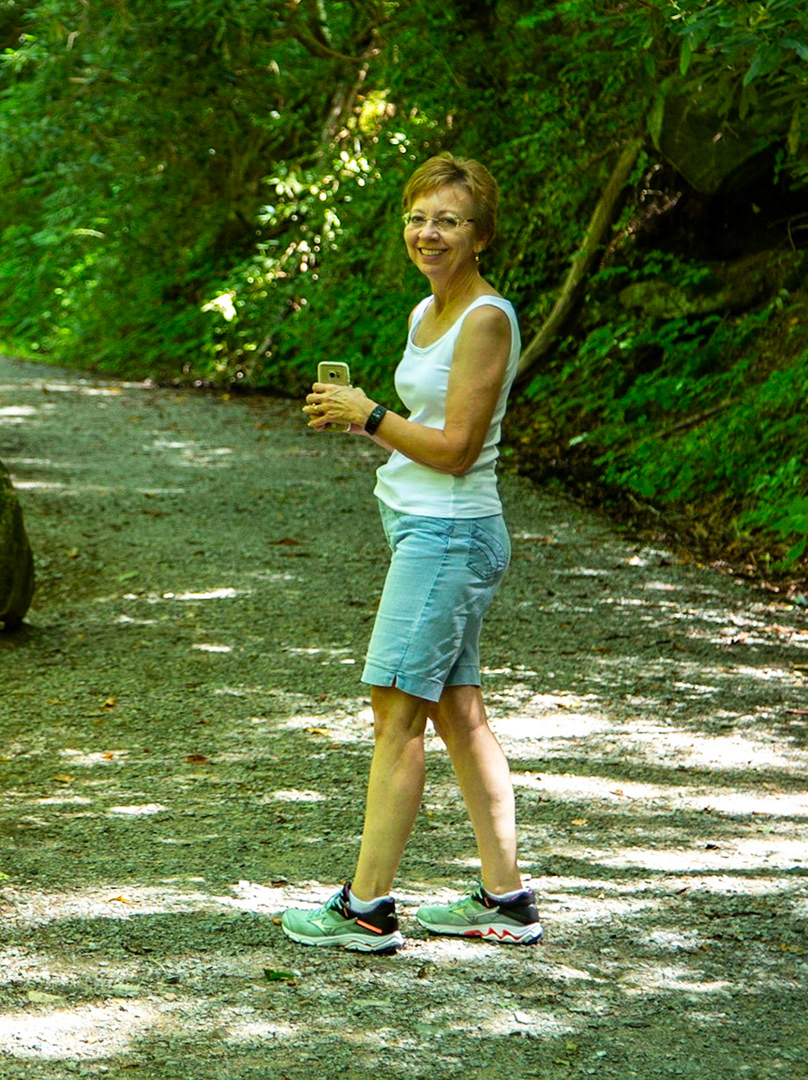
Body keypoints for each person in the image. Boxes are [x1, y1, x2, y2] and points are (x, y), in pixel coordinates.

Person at [283, 153, 539, 952]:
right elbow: (424, 436)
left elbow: (459, 449)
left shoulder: (485, 318)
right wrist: (362, 420)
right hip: (426, 532)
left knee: (395, 714)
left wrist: (369, 416)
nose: (428, 233)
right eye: (418, 218)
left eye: (448, 221)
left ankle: (366, 908)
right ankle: (506, 900)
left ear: (481, 236)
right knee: (460, 715)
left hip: (449, 536)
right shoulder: (426, 312)